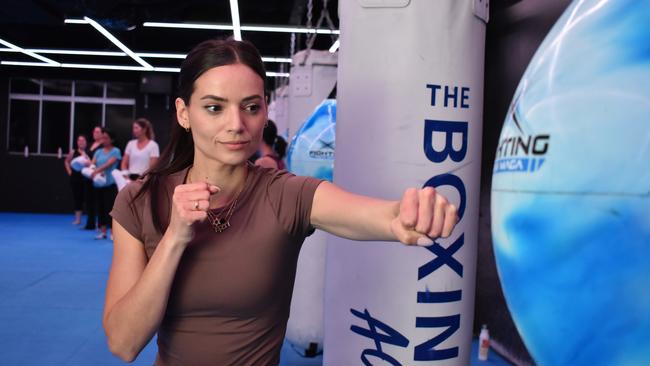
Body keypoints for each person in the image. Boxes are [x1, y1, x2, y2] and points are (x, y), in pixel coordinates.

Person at [104, 39, 458, 365]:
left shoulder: (285, 195)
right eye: (214, 108)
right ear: (184, 113)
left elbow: (380, 215)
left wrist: (409, 214)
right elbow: (124, 342)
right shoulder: (141, 201)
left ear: (265, 112)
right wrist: (174, 238)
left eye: (251, 107)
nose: (236, 124)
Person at [112, 118, 160, 190]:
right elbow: (124, 163)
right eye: (133, 128)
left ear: (144, 129)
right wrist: (126, 176)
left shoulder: (153, 145)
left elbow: (152, 167)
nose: (134, 130)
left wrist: (140, 179)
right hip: (129, 178)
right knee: (115, 173)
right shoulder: (130, 144)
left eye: (136, 128)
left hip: (144, 180)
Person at [90, 128, 121, 240]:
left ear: (111, 139)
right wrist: (92, 169)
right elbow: (92, 163)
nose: (104, 139)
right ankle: (103, 232)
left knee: (110, 209)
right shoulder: (98, 152)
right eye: (102, 138)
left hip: (110, 184)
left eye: (106, 138)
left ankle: (113, 232)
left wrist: (97, 171)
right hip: (98, 185)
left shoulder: (116, 151)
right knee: (101, 208)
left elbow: (109, 163)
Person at [64, 135, 88, 225]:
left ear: (86, 142)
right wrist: (69, 171)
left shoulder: (89, 152)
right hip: (75, 178)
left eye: (83, 140)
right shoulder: (73, 152)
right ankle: (78, 219)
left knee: (87, 199)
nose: (81, 142)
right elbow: (66, 161)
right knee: (77, 198)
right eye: (79, 140)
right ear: (77, 142)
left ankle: (91, 220)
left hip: (86, 178)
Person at [84, 126, 103, 230]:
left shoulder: (102, 146)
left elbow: (101, 161)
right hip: (88, 175)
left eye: (97, 131)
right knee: (89, 200)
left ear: (102, 134)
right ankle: (90, 223)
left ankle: (101, 224)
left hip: (98, 176)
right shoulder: (90, 144)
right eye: (94, 131)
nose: (95, 133)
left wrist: (95, 169)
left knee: (99, 201)